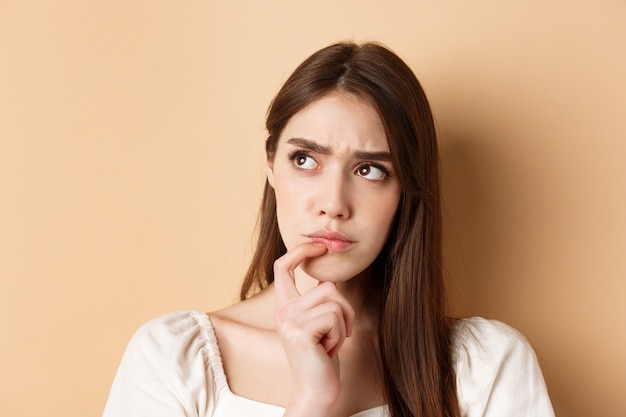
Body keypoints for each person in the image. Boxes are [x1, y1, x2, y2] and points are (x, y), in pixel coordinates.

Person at [102, 42, 555, 417]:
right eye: (305, 160)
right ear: (271, 167)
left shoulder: (487, 364)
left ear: (406, 191)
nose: (333, 205)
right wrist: (311, 401)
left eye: (371, 170)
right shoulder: (173, 358)